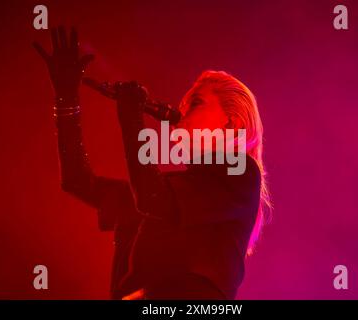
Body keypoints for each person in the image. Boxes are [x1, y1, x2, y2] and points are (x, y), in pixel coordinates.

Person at [33, 26, 271, 300]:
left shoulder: (240, 174)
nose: (182, 113)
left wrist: (131, 118)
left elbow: (152, 196)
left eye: (195, 103)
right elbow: (77, 179)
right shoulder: (168, 193)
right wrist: (66, 97)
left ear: (233, 122)